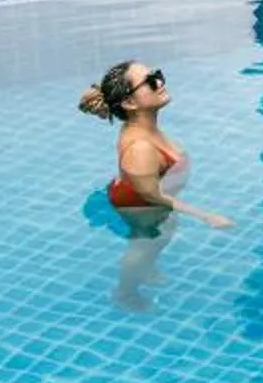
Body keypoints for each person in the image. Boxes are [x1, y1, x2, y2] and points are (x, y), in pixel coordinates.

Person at [81, 59, 232, 307]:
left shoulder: (146, 129)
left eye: (157, 75)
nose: (160, 83)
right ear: (129, 103)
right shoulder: (140, 148)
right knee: (145, 242)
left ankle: (147, 269)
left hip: (146, 193)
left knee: (163, 233)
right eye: (150, 82)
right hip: (140, 204)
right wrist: (207, 216)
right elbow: (152, 196)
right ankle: (125, 293)